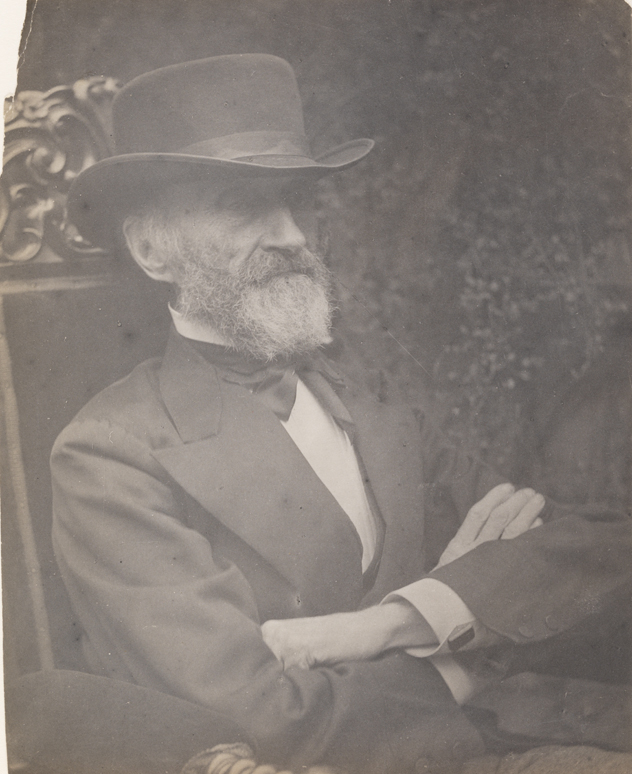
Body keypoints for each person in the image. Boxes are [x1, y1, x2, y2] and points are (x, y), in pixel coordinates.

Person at [51, 55, 631, 774]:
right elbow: (263, 718)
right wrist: (461, 662)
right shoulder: (111, 454)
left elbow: (591, 554)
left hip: (509, 738)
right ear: (150, 249)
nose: (293, 236)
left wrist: (389, 622)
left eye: (301, 203)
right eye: (243, 205)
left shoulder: (370, 403)